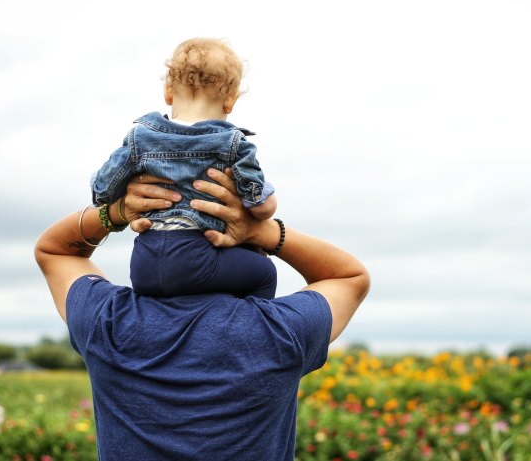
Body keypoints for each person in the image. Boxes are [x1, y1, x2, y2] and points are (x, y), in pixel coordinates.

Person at [34, 168, 370, 460]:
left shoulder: (109, 323)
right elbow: (348, 277)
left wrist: (117, 211)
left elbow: (55, 251)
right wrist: (263, 231)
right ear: (249, 258)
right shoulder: (280, 332)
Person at [91, 38, 278, 299]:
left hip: (144, 263)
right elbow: (259, 206)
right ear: (230, 102)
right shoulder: (233, 143)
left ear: (168, 92)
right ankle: (251, 330)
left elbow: (102, 191)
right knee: (264, 271)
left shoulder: (140, 137)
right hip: (198, 258)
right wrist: (267, 201)